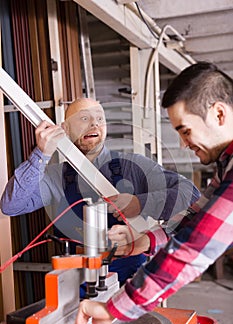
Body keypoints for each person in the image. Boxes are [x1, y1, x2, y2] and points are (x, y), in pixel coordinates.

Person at [65, 61, 233, 324]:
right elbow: (194, 218)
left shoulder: (130, 164)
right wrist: (140, 241)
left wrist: (114, 308)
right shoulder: (225, 164)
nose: (182, 144)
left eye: (185, 131)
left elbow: (192, 248)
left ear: (218, 114)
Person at [0, 98, 199, 287]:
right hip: (74, 275)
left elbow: (190, 194)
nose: (94, 124)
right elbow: (12, 205)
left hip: (127, 274)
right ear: (65, 129)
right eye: (84, 118)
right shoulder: (56, 177)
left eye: (100, 119)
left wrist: (140, 203)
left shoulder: (132, 166)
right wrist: (41, 154)